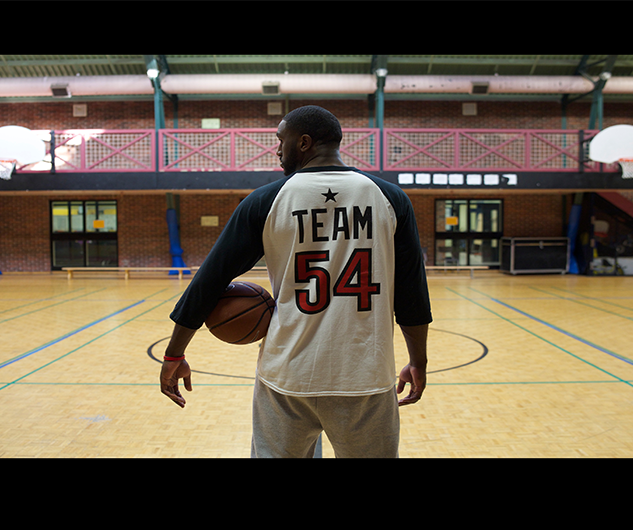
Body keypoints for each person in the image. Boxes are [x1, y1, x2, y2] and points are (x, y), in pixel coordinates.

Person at [160, 105, 432, 458]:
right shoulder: (390, 198)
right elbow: (412, 294)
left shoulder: (266, 201)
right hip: (364, 376)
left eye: (280, 140)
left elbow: (209, 281)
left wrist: (175, 352)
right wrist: (418, 361)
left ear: (303, 143)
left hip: (286, 378)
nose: (277, 150)